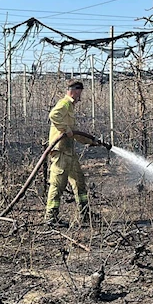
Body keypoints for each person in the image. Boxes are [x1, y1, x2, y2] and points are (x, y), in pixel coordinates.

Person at [44, 80, 101, 226]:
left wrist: (92, 141)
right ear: (75, 91)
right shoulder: (64, 103)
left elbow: (75, 133)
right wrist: (65, 129)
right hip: (61, 152)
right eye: (80, 93)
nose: (80, 96)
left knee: (79, 183)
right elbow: (53, 115)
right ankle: (51, 217)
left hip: (69, 152)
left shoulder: (70, 107)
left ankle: (85, 214)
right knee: (57, 185)